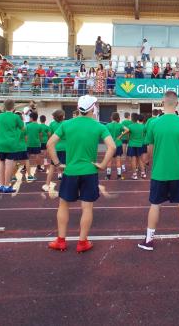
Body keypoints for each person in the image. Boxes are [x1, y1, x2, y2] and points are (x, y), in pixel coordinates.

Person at [48, 95, 115, 253]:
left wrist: (57, 164)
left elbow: (50, 144)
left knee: (64, 204)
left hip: (70, 171)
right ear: (93, 109)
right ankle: (82, 242)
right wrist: (103, 165)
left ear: (78, 108)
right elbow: (111, 147)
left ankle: (61, 240)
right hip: (89, 171)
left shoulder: (66, 124)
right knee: (87, 207)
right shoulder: (99, 126)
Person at [138, 91, 179, 251]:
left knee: (155, 205)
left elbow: (150, 147)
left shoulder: (153, 123)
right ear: (177, 104)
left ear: (162, 103)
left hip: (159, 172)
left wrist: (150, 160)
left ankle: (149, 241)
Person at [0, 99, 25, 193]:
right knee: (9, 164)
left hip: (1, 143)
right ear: (13, 107)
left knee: (1, 163)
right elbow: (22, 128)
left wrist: (1, 133)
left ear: (4, 106)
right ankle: (7, 186)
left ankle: (1, 184)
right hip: (11, 143)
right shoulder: (16, 117)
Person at [44, 110, 67, 192]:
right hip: (66, 148)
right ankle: (66, 186)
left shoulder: (52, 124)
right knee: (66, 168)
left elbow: (50, 135)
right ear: (63, 116)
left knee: (52, 167)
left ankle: (47, 185)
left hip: (55, 148)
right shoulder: (66, 123)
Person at [123, 113, 146, 180]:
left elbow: (128, 136)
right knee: (140, 159)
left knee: (133, 159)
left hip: (132, 144)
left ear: (132, 118)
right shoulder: (143, 126)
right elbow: (144, 134)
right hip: (140, 144)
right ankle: (143, 173)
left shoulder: (130, 126)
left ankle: (134, 174)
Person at [106, 113, 126, 180]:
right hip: (118, 144)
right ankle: (119, 176)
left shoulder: (108, 125)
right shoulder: (120, 125)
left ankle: (108, 176)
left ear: (111, 117)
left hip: (110, 144)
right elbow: (127, 129)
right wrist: (120, 136)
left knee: (109, 161)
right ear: (118, 118)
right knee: (118, 161)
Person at [25, 112, 43, 182]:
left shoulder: (27, 126)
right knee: (37, 155)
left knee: (27, 158)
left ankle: (25, 167)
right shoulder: (39, 126)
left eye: (29, 117)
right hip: (36, 143)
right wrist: (40, 142)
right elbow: (40, 135)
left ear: (31, 118)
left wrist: (26, 142)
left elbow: (26, 136)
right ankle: (38, 166)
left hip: (28, 144)